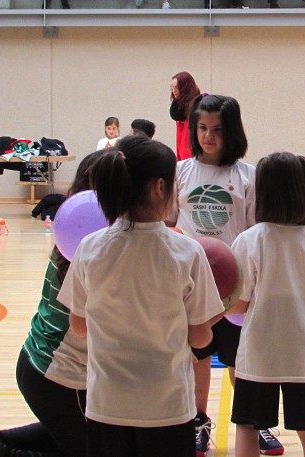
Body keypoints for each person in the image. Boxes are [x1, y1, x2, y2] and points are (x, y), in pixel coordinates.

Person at [62, 138, 225, 457]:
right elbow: (201, 336)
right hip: (167, 407)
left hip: (106, 404)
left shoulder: (90, 247)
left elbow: (78, 326)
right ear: (160, 186)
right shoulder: (187, 251)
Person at [0, 153, 101, 457]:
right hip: (58, 375)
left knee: (73, 430)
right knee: (89, 448)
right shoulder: (90, 251)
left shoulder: (73, 236)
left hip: (36, 363)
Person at [167, 94, 284, 456]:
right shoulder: (181, 172)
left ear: (231, 132)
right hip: (190, 284)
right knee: (197, 356)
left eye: (217, 129)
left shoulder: (247, 176)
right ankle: (198, 419)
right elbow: (169, 224)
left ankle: (255, 421)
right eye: (202, 128)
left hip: (236, 287)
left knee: (240, 358)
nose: (208, 136)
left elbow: (256, 231)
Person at [228, 152, 305, 457]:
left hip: (258, 356)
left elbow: (239, 304)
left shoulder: (248, 240)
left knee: (247, 426)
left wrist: (220, 304)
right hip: (303, 355)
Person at [169, 72, 201, 161]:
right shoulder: (180, 108)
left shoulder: (196, 106)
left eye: (177, 87)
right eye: (173, 87)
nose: (174, 90)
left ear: (185, 87)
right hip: (182, 159)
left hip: (193, 159)